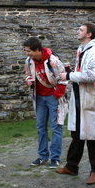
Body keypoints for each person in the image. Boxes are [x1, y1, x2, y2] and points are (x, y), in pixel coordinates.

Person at [56, 23, 95, 185]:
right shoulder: (82, 50)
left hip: (91, 98)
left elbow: (91, 75)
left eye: (81, 30)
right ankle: (72, 166)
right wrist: (71, 72)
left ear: (89, 34)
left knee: (93, 136)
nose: (77, 31)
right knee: (77, 134)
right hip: (80, 96)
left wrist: (69, 75)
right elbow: (82, 72)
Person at [23, 37, 67, 169]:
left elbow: (63, 78)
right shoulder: (29, 61)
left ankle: (55, 158)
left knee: (55, 127)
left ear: (37, 50)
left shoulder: (53, 61)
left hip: (53, 97)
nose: (27, 54)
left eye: (28, 51)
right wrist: (29, 80)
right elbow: (27, 74)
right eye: (25, 51)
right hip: (40, 98)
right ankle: (42, 156)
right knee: (40, 127)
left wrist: (56, 95)